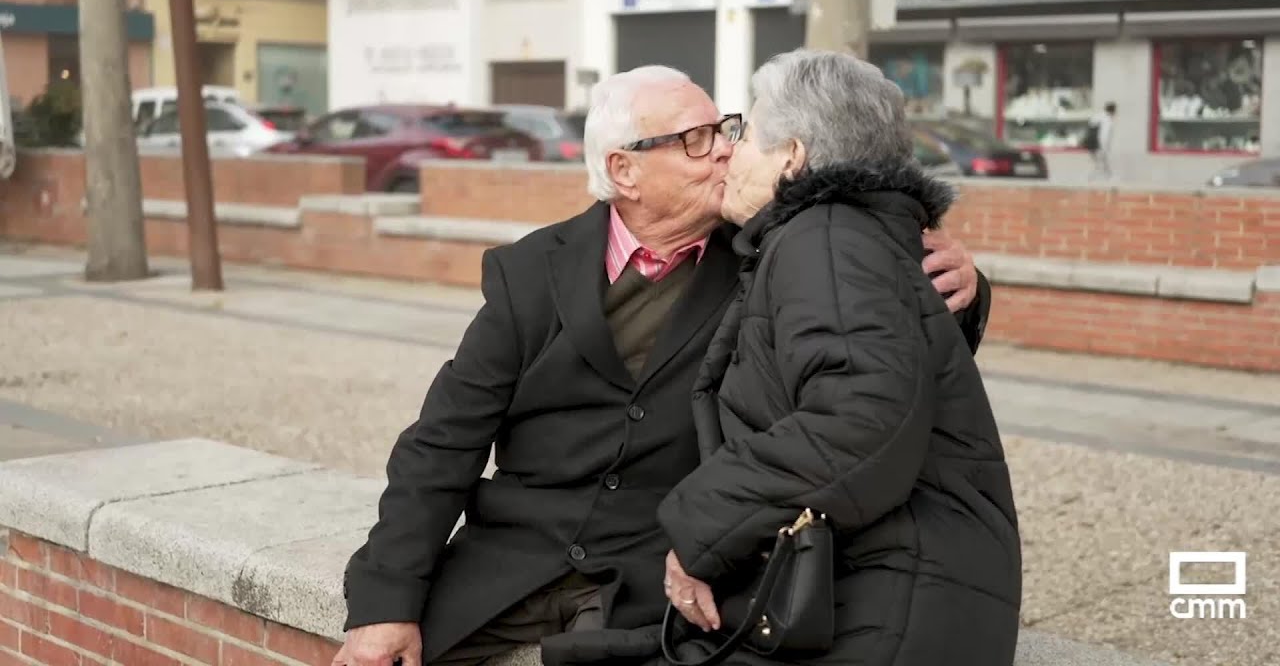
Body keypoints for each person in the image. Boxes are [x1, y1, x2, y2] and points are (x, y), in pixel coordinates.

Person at [332, 65, 992, 666]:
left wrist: (959, 285)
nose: (728, 150)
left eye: (729, 131)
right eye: (698, 139)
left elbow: (875, 345)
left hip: (662, 578)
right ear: (625, 171)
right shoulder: (530, 273)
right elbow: (443, 441)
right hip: (512, 563)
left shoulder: (766, 255)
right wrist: (385, 597)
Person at [653, 49, 1022, 666]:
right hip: (894, 589)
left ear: (792, 156)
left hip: (886, 604)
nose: (727, 151)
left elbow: (859, 418)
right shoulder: (843, 232)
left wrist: (700, 532)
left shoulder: (823, 235)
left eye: (743, 134)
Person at [1085, 101, 1115, 181]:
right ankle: (1091, 179)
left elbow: (1089, 128)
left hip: (1090, 144)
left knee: (1101, 163)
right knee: (1100, 163)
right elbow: (1104, 135)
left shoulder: (1097, 116)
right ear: (1113, 111)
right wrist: (1104, 147)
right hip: (1098, 145)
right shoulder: (1107, 120)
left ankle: (1108, 177)